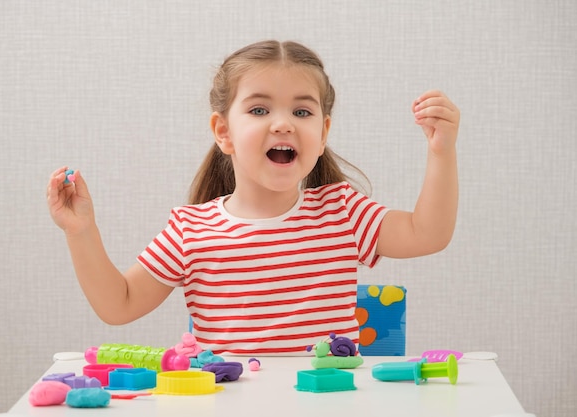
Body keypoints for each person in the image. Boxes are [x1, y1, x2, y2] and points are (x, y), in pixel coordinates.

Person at [47, 40, 459, 356]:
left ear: (323, 133)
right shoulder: (191, 230)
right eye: (260, 110)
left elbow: (428, 233)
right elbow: (118, 305)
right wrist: (81, 231)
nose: (283, 123)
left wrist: (441, 151)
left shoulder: (343, 213)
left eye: (302, 112)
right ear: (223, 131)